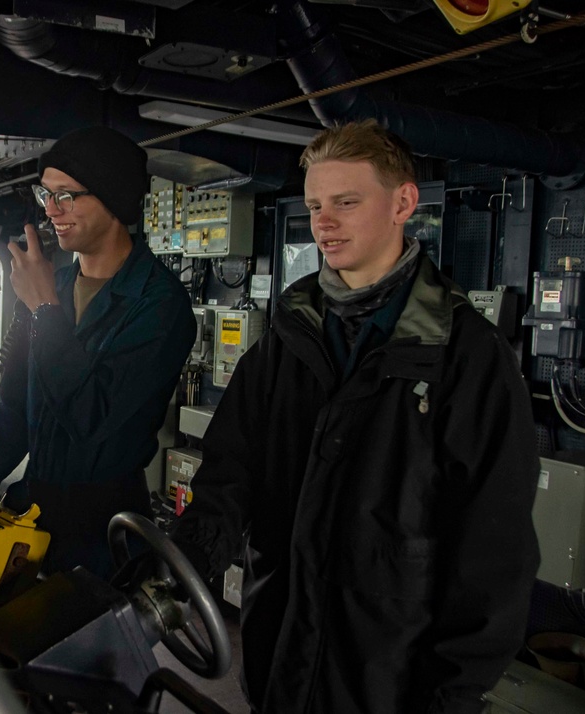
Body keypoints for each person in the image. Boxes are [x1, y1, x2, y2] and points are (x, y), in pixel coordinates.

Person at [169, 119, 540, 713]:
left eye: (346, 202)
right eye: (316, 205)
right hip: (279, 651)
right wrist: (184, 571)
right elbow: (227, 476)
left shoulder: (466, 357)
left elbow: (493, 552)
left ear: (404, 202)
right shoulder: (286, 341)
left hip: (390, 676)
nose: (324, 222)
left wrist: (451, 692)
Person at [0, 126, 196, 579]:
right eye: (45, 194)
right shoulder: (54, 284)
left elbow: (92, 417)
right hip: (35, 509)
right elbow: (15, 406)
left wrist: (44, 308)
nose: (50, 210)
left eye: (66, 195)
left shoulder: (159, 304)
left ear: (113, 199)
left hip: (105, 527)